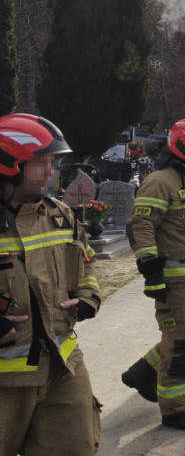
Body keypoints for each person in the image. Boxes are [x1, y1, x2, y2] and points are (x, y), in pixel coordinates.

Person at [0, 114, 103, 455]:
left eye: (52, 162)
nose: (50, 172)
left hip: (62, 369)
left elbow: (85, 263)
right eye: (41, 163)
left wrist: (88, 296)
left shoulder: (60, 215)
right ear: (10, 165)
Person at [120, 119, 185, 431]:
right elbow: (141, 227)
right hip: (175, 281)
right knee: (181, 345)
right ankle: (175, 411)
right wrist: (151, 273)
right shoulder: (159, 182)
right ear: (184, 152)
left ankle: (143, 372)